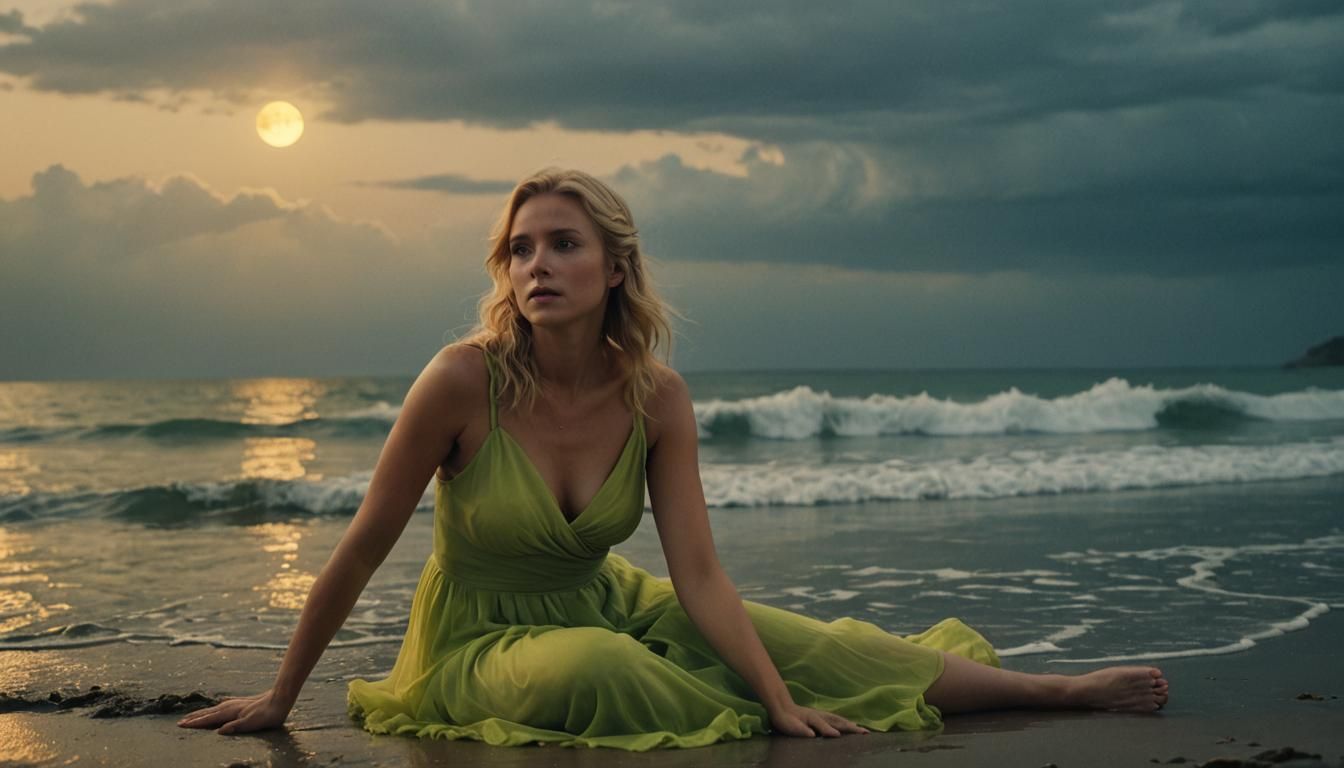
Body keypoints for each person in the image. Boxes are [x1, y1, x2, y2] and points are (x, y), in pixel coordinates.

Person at [177, 167, 1169, 748]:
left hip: (612, 602)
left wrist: (778, 692)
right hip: (475, 645)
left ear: (616, 268)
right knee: (602, 667)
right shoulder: (460, 381)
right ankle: (760, 710)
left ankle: (1056, 690)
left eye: (562, 245)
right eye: (519, 249)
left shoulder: (657, 397)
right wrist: (280, 698)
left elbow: (698, 574)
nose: (535, 265)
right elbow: (361, 548)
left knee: (824, 651)